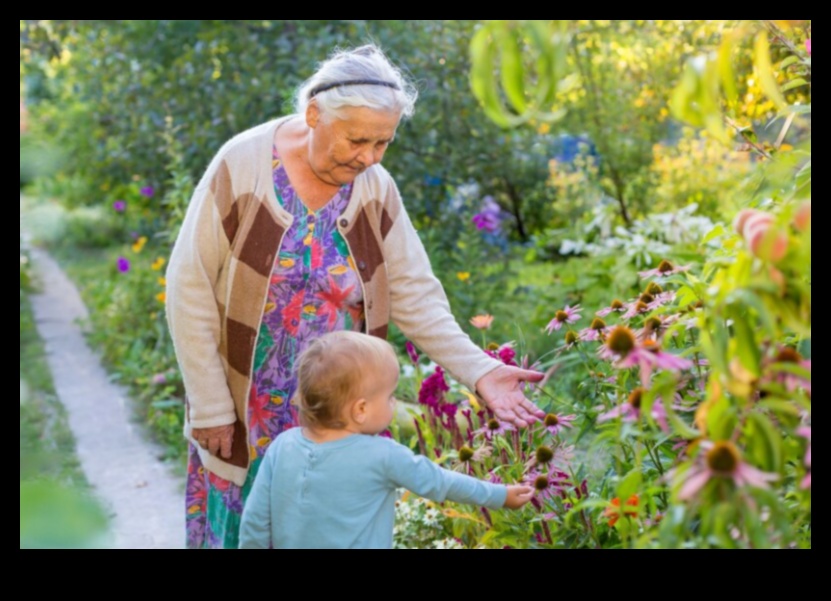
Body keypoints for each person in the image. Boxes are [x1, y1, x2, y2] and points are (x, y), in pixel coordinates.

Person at [166, 43, 544, 549]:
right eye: (356, 139)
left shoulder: (374, 189)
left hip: (339, 411)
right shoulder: (243, 165)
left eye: (382, 143)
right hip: (244, 404)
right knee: (245, 530)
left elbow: (415, 293)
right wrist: (211, 403)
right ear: (314, 113)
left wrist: (480, 369)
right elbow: (187, 283)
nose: (367, 157)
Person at [239, 331, 533, 549]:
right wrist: (499, 495)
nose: (393, 404)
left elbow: (255, 521)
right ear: (361, 409)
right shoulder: (383, 455)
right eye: (390, 396)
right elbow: (441, 482)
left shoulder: (283, 445)